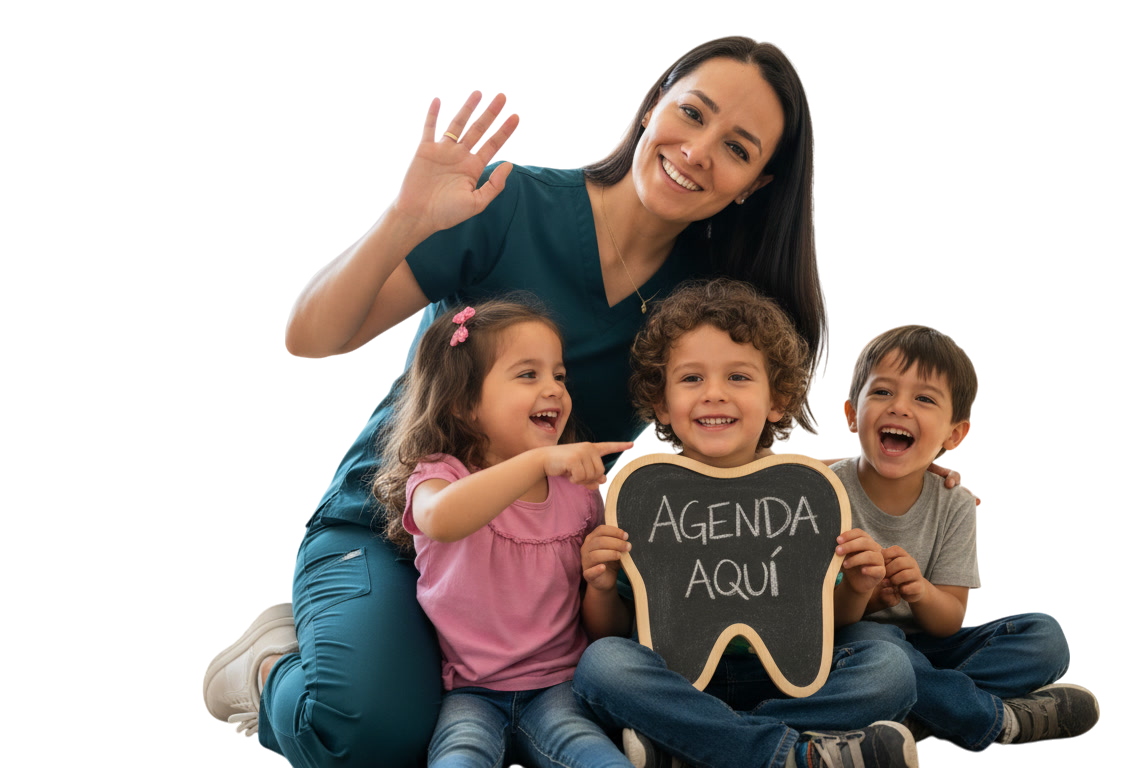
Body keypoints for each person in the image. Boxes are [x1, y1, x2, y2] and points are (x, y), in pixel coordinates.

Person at [202, 36, 956, 766]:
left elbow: (752, 458)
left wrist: (903, 482)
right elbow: (309, 336)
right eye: (693, 114)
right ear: (655, 103)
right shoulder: (513, 200)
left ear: (755, 185)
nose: (698, 151)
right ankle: (268, 662)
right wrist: (407, 214)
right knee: (366, 730)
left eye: (737, 147)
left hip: (542, 549)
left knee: (637, 685)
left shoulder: (715, 297)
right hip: (391, 520)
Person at [573, 278, 922, 768]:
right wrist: (602, 586)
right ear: (661, 403)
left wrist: (860, 587)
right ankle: (789, 753)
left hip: (791, 681)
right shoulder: (643, 493)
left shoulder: (804, 492)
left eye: (738, 377)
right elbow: (613, 630)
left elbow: (825, 621)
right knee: (601, 667)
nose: (714, 394)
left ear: (776, 399)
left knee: (890, 666)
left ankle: (695, 743)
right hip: (674, 679)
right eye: (691, 379)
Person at [369, 296, 633, 766]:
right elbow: (440, 520)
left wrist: (601, 586)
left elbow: (605, 634)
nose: (553, 388)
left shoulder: (580, 495)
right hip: (470, 694)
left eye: (559, 375)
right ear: (463, 402)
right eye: (529, 374)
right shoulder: (441, 476)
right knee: (460, 757)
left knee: (597, 757)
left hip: (560, 689)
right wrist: (538, 460)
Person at [831, 325, 1099, 754]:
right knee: (885, 656)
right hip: (862, 652)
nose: (899, 407)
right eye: (882, 392)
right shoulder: (824, 494)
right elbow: (816, 622)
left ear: (953, 435)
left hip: (934, 652)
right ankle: (994, 720)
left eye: (923, 398)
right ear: (851, 415)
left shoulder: (955, 505)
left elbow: (951, 619)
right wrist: (868, 598)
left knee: (1046, 638)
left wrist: (919, 592)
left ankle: (915, 713)